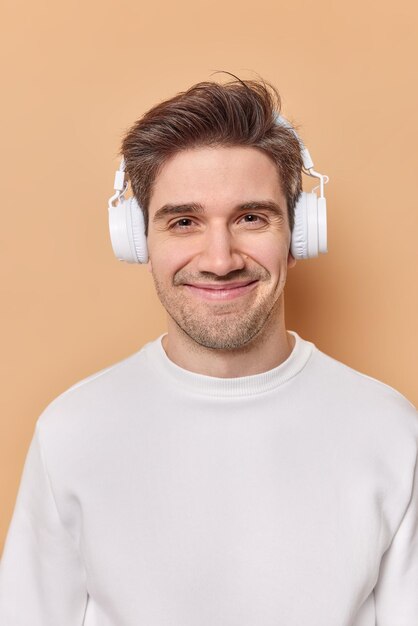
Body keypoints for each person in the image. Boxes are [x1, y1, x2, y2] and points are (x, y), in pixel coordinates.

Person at [0, 77, 417, 626]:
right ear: (136, 242)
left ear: (300, 235)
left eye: (250, 217)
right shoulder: (71, 431)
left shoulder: (390, 431)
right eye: (184, 222)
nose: (220, 259)